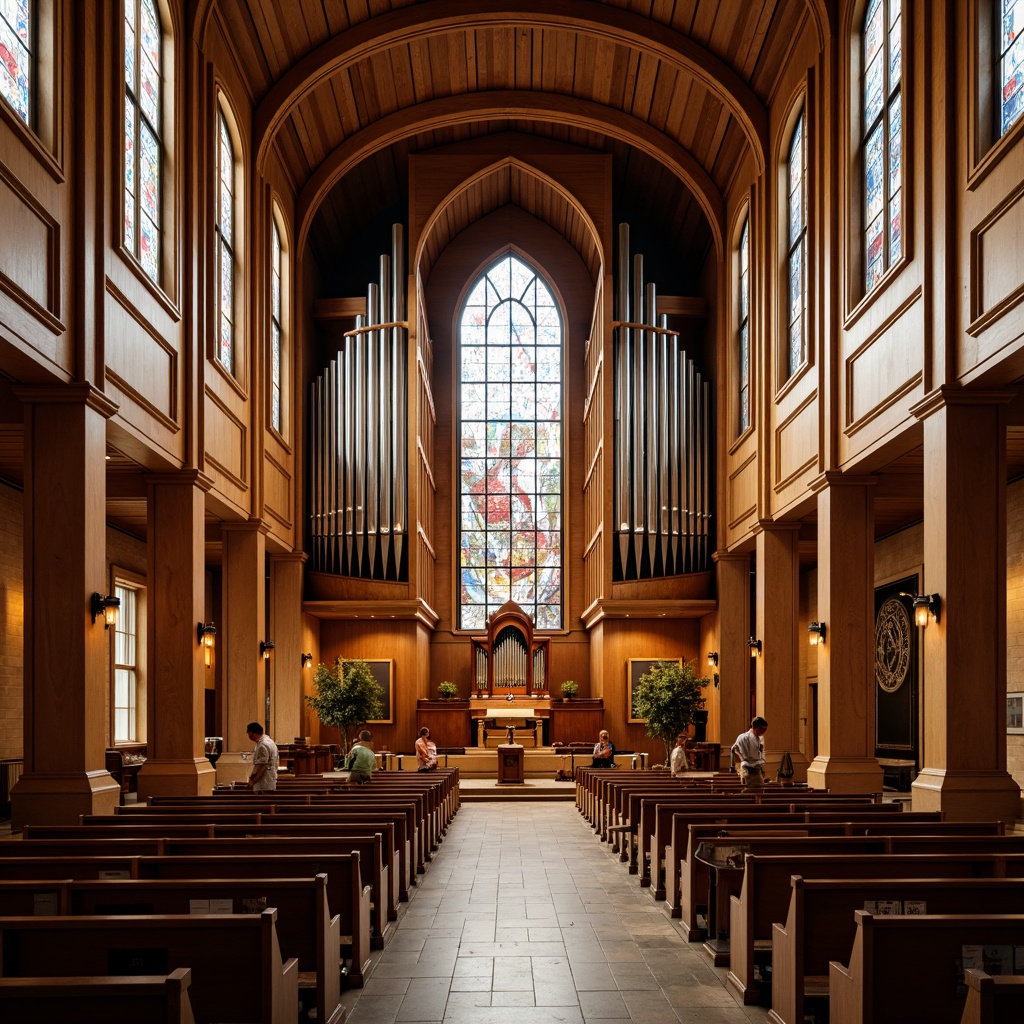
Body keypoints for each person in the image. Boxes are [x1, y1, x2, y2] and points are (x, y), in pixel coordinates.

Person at [730, 716, 768, 789]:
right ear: (756, 727)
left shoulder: (759, 739)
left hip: (757, 767)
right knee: (748, 789)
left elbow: (760, 752)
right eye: (763, 729)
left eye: (765, 729)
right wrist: (741, 760)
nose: (764, 732)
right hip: (747, 768)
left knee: (759, 789)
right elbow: (735, 749)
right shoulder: (743, 737)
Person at [245, 722, 279, 793]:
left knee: (262, 802)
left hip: (263, 783)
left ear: (251, 732)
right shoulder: (270, 741)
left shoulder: (262, 745)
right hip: (271, 780)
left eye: (248, 732)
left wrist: (252, 780)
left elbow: (261, 767)